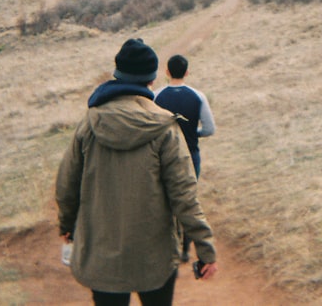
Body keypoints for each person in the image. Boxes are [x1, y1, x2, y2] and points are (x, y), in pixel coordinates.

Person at [56, 38, 218, 306]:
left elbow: (66, 184)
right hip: (154, 258)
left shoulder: (90, 123)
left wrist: (67, 225)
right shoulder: (165, 129)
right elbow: (185, 197)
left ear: (117, 75)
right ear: (151, 80)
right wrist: (205, 249)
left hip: (101, 256)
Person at [154, 54, 216, 262]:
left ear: (167, 72)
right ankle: (185, 250)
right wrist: (192, 133)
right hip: (190, 155)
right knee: (188, 201)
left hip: (164, 156)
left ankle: (167, 246)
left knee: (165, 201)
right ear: (187, 72)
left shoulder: (156, 96)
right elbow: (209, 129)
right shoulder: (198, 96)